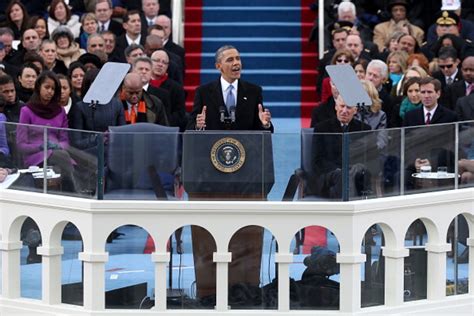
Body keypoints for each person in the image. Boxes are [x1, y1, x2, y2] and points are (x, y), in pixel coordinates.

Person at [16, 71, 78, 192]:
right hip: (35, 157)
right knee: (62, 158)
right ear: (39, 87)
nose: (50, 91)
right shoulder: (26, 111)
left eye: (53, 89)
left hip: (59, 156)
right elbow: (21, 145)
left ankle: (70, 193)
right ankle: (74, 193)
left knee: (64, 158)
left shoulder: (60, 111)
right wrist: (41, 147)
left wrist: (57, 146)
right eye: (47, 87)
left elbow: (65, 142)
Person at [189, 45, 273, 131]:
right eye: (230, 60)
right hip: (213, 143)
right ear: (218, 66)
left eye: (238, 58)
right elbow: (190, 126)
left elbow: (263, 128)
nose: (236, 63)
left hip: (244, 143)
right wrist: (198, 126)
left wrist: (265, 125)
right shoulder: (203, 92)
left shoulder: (253, 91)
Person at [310, 94, 372, 199]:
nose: (344, 111)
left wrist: (352, 169)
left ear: (355, 110)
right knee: (342, 176)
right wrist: (339, 170)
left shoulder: (364, 129)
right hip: (329, 175)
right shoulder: (322, 128)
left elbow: (369, 157)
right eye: (342, 106)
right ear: (336, 107)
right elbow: (318, 160)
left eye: (348, 107)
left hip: (355, 172)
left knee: (360, 172)